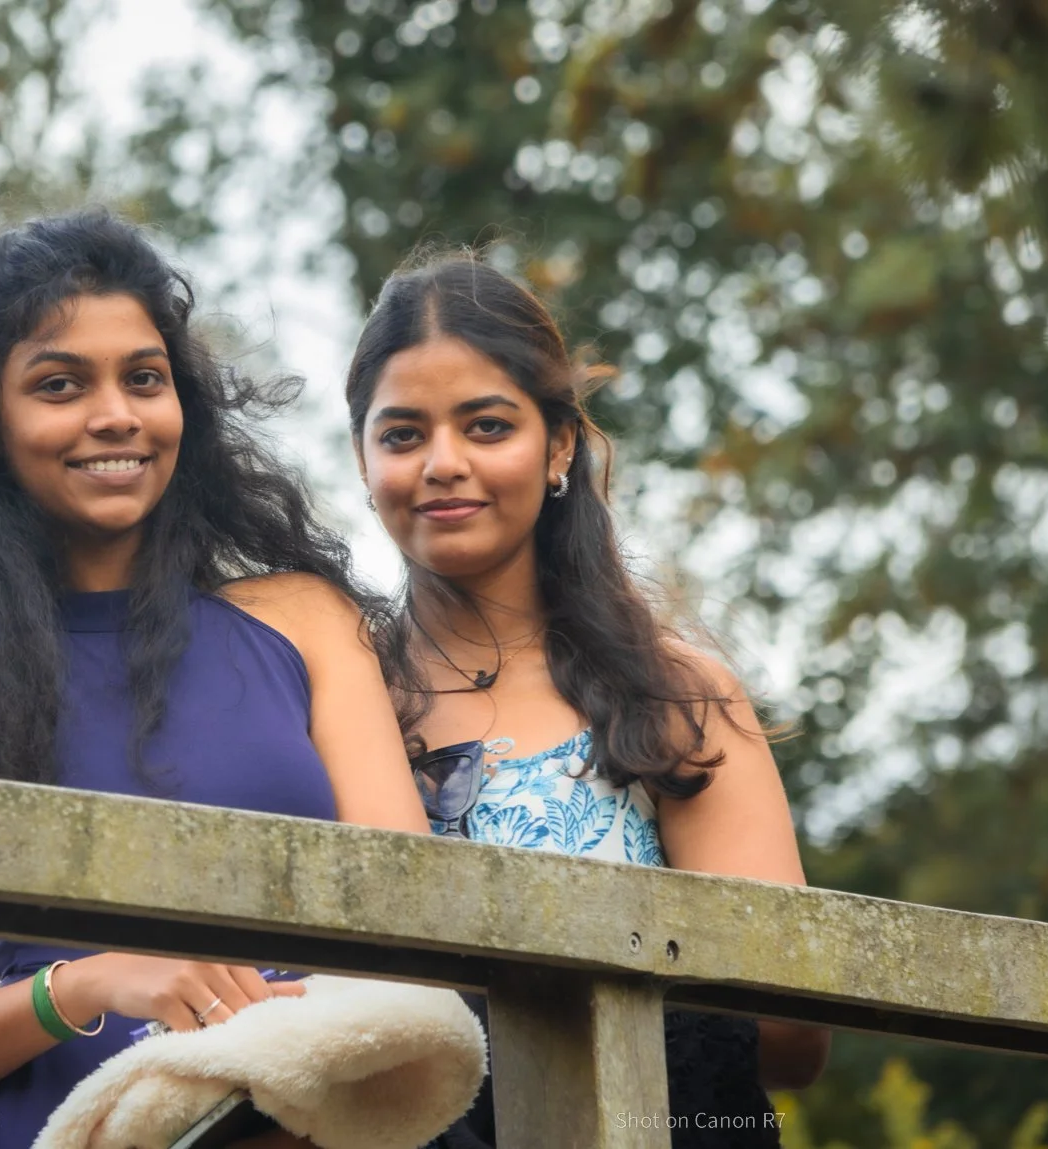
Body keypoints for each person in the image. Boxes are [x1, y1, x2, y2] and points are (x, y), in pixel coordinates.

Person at [0, 209, 427, 1148]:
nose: (115, 414)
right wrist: (88, 985)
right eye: (60, 384)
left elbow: (417, 946)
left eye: (144, 379)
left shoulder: (305, 623)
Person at [346, 252, 831, 1144]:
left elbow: (794, 1033)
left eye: (487, 427)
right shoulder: (336, 703)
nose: (442, 463)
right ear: (363, 458)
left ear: (559, 444)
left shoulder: (674, 698)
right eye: (403, 434)